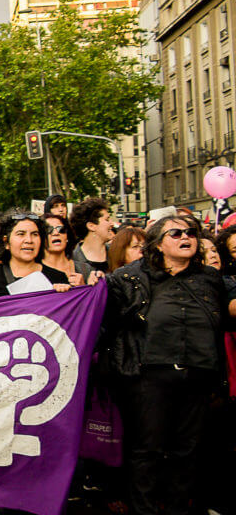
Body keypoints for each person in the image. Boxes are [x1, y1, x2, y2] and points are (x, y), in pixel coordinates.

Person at [103, 213, 236, 515]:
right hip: (148, 376)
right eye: (176, 234)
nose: (186, 237)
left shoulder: (211, 278)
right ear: (158, 244)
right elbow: (100, 323)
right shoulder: (128, 277)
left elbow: (230, 307)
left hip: (199, 375)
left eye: (190, 232)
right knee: (147, 451)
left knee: (187, 453)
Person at [0, 212, 72, 304]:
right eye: (21, 234)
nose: (29, 240)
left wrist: (64, 294)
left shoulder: (58, 278)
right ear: (6, 242)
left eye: (35, 234)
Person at [40, 213, 93, 286]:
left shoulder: (85, 269)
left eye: (61, 229)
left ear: (67, 236)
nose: (56, 233)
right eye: (48, 230)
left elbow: (95, 296)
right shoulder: (34, 271)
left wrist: (83, 287)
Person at [71, 197, 115, 274]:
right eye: (107, 220)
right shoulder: (72, 261)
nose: (112, 224)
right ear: (91, 226)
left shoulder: (116, 254)